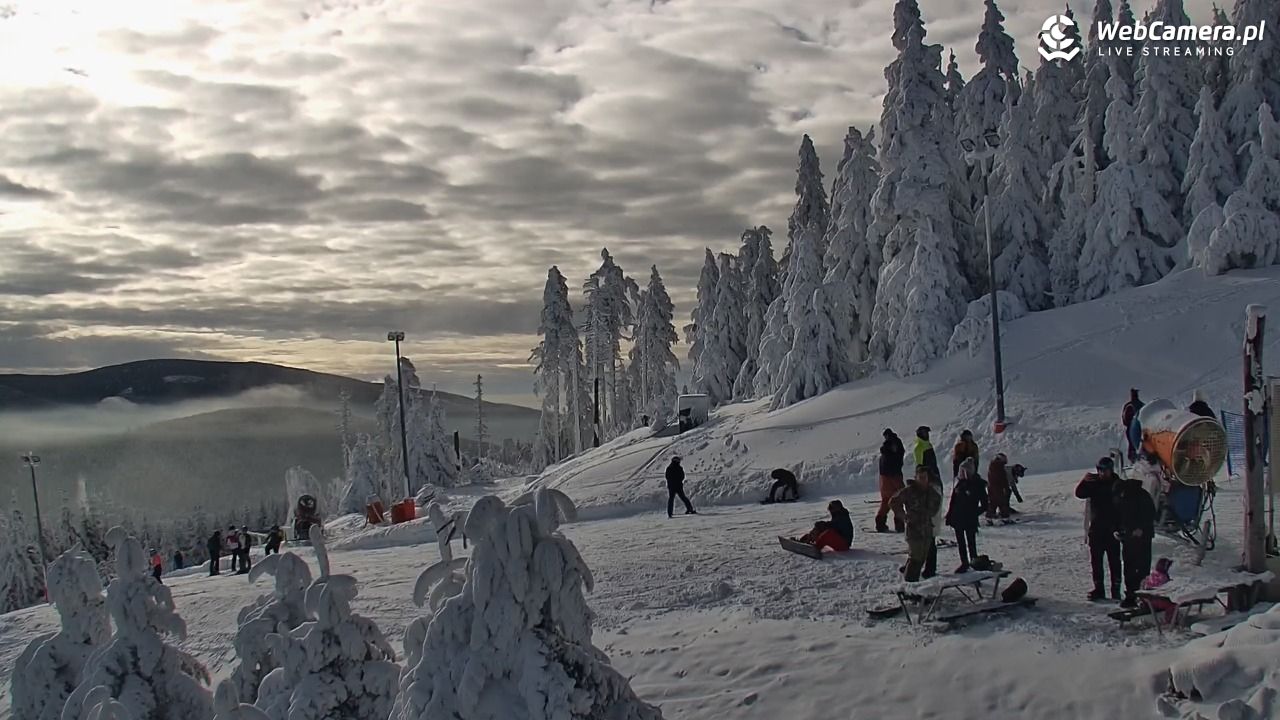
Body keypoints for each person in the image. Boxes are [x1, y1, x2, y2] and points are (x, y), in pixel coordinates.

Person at [1075, 457, 1123, 601]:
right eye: (1100, 470)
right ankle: (1099, 589)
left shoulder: (1117, 484)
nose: (1103, 473)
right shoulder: (1094, 483)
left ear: (1111, 470)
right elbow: (1079, 493)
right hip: (1096, 529)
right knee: (1096, 562)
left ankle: (1116, 590)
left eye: (1105, 470)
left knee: (1114, 561)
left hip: (1112, 530)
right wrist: (1084, 480)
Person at [891, 465, 943, 582]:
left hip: (926, 530)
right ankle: (909, 586)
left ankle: (913, 583)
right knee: (915, 558)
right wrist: (903, 515)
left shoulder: (931, 492)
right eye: (921, 477)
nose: (923, 480)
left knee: (922, 558)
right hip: (914, 530)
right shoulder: (909, 491)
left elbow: (937, 502)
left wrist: (929, 514)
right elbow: (893, 502)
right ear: (916, 477)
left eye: (925, 477)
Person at [1116, 469, 1157, 608]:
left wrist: (1140, 529)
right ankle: (1132, 595)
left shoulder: (1139, 496)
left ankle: (1141, 596)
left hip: (1142, 537)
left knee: (1140, 567)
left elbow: (1150, 515)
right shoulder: (1126, 497)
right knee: (1130, 567)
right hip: (1129, 538)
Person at [946, 457, 988, 573]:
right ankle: (964, 563)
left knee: (971, 542)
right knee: (961, 543)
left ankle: (974, 562)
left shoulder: (978, 484)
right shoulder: (959, 484)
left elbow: (985, 504)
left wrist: (974, 513)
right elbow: (953, 501)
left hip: (969, 519)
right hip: (957, 518)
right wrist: (949, 515)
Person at [877, 429, 906, 533]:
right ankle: (899, 525)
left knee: (885, 501)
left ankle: (880, 522)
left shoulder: (884, 451)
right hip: (895, 476)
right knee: (898, 500)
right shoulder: (896, 445)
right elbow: (899, 459)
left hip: (884, 478)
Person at [1141, 558, 1177, 623]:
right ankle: (1170, 620)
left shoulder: (1152, 575)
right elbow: (1166, 590)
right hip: (1157, 600)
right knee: (1173, 603)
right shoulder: (1162, 577)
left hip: (1148, 600)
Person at [987, 453, 1012, 523]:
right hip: (998, 488)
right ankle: (1005, 518)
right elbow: (1002, 479)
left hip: (993, 488)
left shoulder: (994, 466)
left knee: (993, 503)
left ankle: (989, 518)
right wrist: (1005, 488)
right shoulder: (998, 467)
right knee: (1002, 503)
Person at [1123, 389, 1145, 461]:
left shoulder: (1128, 405)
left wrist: (1128, 424)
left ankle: (1133, 458)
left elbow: (1124, 419)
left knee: (1132, 445)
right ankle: (1140, 458)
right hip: (1142, 428)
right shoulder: (1142, 405)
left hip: (1131, 428)